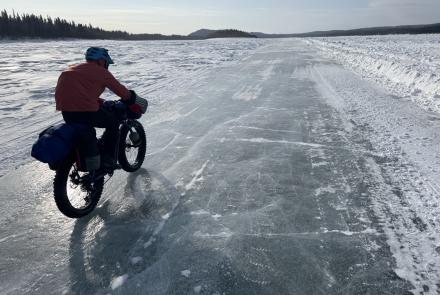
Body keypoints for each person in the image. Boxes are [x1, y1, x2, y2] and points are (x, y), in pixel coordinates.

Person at [55, 47, 136, 170]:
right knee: (114, 120)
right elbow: (121, 91)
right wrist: (131, 97)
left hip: (66, 113)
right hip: (87, 113)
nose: (107, 65)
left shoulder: (71, 69)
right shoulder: (101, 72)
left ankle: (95, 153)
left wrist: (100, 101)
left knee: (86, 130)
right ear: (101, 61)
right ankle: (108, 158)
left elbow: (78, 94)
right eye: (107, 63)